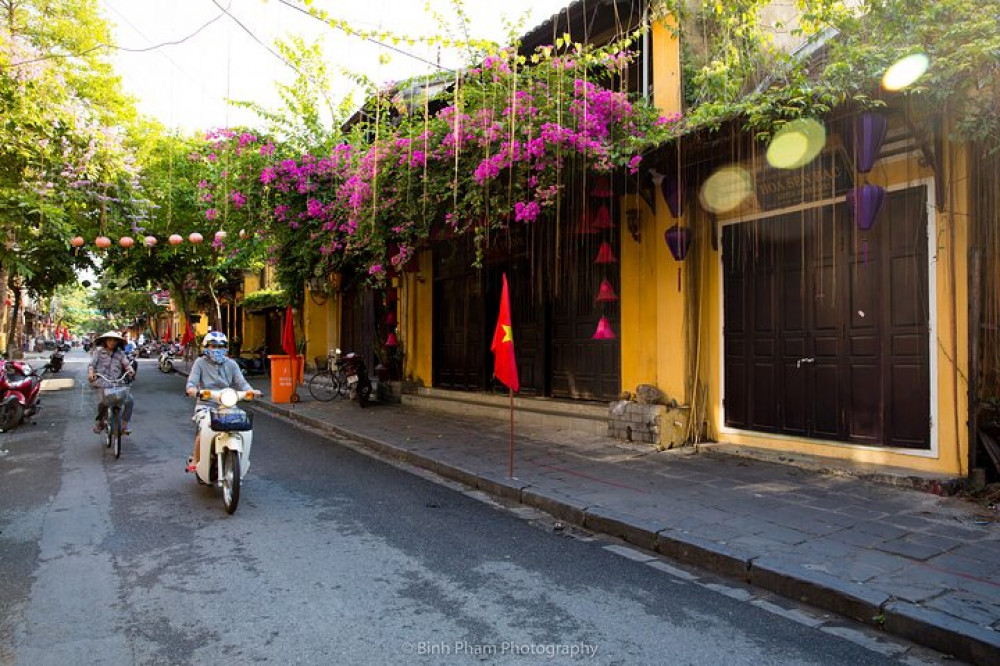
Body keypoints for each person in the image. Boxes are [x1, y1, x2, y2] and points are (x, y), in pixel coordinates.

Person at [184, 331, 253, 472]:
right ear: (206, 347)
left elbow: (242, 383)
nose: (217, 349)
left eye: (221, 346)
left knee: (243, 426)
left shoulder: (232, 364)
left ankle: (242, 460)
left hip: (228, 404)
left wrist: (251, 391)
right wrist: (192, 390)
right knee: (204, 428)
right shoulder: (200, 363)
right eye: (213, 346)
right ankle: (196, 459)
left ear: (226, 348)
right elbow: (191, 383)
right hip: (206, 404)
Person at [87, 330, 135, 434]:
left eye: (114, 340)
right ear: (105, 341)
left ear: (118, 342)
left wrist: (130, 370)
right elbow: (92, 365)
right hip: (102, 382)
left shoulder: (120, 354)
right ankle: (100, 422)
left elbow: (126, 364)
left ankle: (124, 426)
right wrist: (91, 373)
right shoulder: (98, 352)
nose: (112, 342)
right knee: (102, 403)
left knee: (129, 400)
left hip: (117, 383)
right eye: (109, 340)